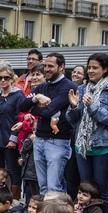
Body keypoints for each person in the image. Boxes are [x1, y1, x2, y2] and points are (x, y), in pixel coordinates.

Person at [67, 53, 108, 213]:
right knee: (85, 191)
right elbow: (73, 121)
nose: (90, 71)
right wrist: (73, 107)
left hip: (103, 147)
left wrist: (92, 106)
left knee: (102, 192)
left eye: (95, 68)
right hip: (82, 147)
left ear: (105, 69)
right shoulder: (82, 88)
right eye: (89, 67)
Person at [18, 52, 78, 194]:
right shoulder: (41, 87)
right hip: (39, 139)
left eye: (51, 66)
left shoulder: (68, 87)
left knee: (53, 187)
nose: (46, 69)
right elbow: (21, 106)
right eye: (45, 66)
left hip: (57, 142)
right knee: (42, 187)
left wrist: (33, 109)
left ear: (62, 67)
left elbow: (48, 112)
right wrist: (36, 98)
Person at [0, 64, 24, 198]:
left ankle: (14, 199)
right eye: (0, 77)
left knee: (13, 170)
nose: (3, 80)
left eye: (6, 77)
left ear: (12, 78)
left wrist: (14, 138)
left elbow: (20, 118)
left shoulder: (18, 95)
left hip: (9, 137)